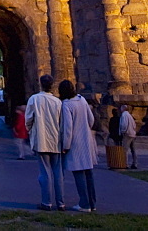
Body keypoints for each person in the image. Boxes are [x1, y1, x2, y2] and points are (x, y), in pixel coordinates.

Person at [26, 74, 64, 211]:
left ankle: (46, 202)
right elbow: (62, 122)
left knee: (44, 172)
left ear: (40, 84)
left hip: (41, 140)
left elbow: (28, 119)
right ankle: (61, 203)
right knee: (58, 173)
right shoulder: (58, 101)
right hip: (56, 141)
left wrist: (30, 131)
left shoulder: (34, 99)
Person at [59, 80, 97, 212]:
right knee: (88, 172)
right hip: (86, 140)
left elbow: (68, 128)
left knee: (78, 173)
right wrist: (85, 129)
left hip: (75, 142)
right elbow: (91, 119)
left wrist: (66, 145)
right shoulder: (82, 100)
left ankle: (84, 204)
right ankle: (92, 203)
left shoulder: (66, 105)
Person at [119, 104, 138, 169]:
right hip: (132, 134)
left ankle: (125, 164)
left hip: (127, 134)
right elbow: (134, 125)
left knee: (125, 150)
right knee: (133, 150)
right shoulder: (130, 115)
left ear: (123, 109)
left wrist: (123, 131)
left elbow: (124, 124)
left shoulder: (124, 115)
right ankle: (135, 163)